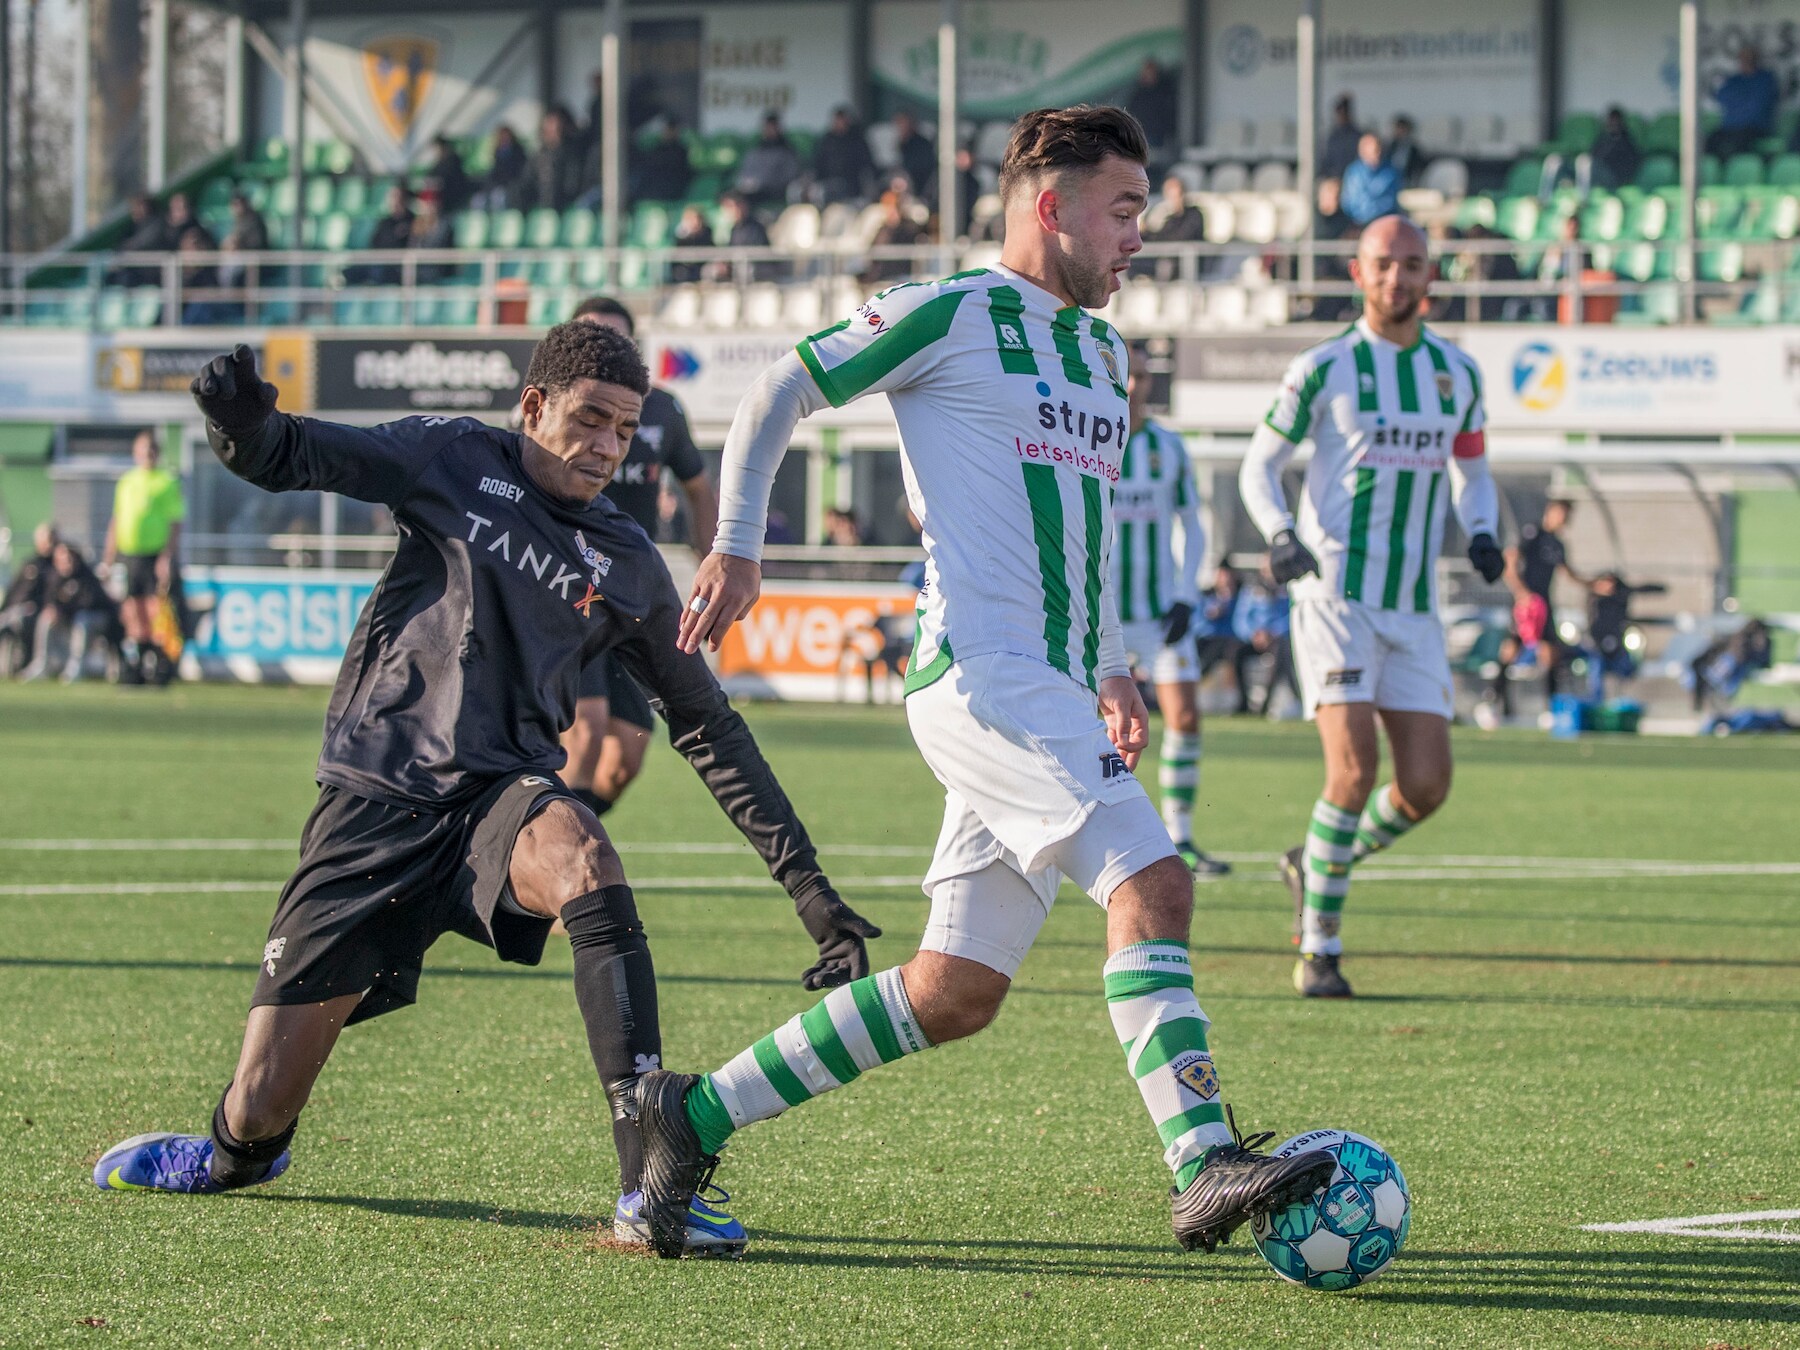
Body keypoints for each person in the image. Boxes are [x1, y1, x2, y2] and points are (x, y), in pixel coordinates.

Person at [639, 103, 1336, 1262]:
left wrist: (1111, 665)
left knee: (955, 990)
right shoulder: (950, 312)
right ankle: (1203, 1159)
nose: (1140, 236)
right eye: (1123, 211)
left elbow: (1087, 530)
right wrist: (739, 545)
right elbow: (782, 387)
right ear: (1050, 207)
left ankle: (691, 1115)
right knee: (1154, 882)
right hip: (981, 671)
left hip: (1051, 681)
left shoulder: (1105, 355)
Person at [92, 328, 882, 1265]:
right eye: (591, 419)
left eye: (625, 430)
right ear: (534, 407)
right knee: (258, 1110)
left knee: (584, 855)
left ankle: (647, 1185)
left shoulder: (626, 562)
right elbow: (296, 454)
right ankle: (234, 1156)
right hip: (374, 799)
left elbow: (708, 726)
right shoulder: (452, 456)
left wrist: (809, 889)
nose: (608, 446)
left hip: (498, 801)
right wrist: (239, 424)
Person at [1238, 215, 1503, 999]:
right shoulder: (1325, 367)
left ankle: (1316, 860)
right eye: (1384, 264)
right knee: (1353, 773)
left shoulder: (1458, 373)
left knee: (1426, 787)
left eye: (1412, 264)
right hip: (1335, 598)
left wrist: (1483, 530)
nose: (1398, 277)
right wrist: (1280, 533)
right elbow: (1259, 466)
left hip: (1413, 608)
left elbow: (1473, 472)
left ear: (1430, 276)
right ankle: (1319, 951)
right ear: (1358, 273)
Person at [558, 295, 720, 822]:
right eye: (590, 336)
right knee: (585, 732)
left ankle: (554, 838)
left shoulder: (663, 410)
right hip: (564, 590)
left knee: (624, 758)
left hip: (629, 595)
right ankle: (554, 857)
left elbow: (698, 487)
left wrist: (714, 558)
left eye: (615, 337)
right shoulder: (549, 406)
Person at [1112, 345, 1228, 876]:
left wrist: (1187, 594)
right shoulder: (1087, 434)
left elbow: (1193, 524)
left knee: (1184, 717)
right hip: (1103, 617)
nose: (1135, 385)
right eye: (1126, 373)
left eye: (1142, 375)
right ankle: (1102, 836)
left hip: (1161, 614)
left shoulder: (1169, 447)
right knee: (1100, 726)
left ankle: (1180, 838)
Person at [100, 429, 186, 685]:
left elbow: (175, 522)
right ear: (135, 453)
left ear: (157, 453)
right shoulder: (127, 482)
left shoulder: (166, 482)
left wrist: (166, 556)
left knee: (154, 608)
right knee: (131, 609)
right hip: (129, 554)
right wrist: (108, 558)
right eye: (142, 450)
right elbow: (117, 520)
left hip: (153, 555)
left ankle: (158, 661)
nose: (147, 455)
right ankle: (136, 662)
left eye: (151, 450)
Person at [1505, 497, 1585, 702]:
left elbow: (1570, 574)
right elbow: (1510, 560)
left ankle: (1552, 704)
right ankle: (1496, 697)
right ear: (1550, 511)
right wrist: (1521, 592)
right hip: (1526, 603)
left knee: (1550, 652)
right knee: (1512, 648)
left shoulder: (1557, 545)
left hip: (1544, 602)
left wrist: (1594, 584)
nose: (1563, 519)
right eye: (1561, 513)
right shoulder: (1532, 533)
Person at [19, 538, 113, 683]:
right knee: (46, 617)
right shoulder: (55, 577)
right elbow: (50, 600)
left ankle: (76, 666)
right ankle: (42, 664)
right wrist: (53, 610)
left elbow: (89, 603)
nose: (66, 562)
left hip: (96, 618)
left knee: (82, 619)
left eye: (69, 558)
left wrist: (63, 611)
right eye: (62, 559)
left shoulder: (85, 576)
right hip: (68, 618)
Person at [1230, 560, 1297, 717]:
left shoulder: (1289, 587)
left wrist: (1273, 632)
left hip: (1279, 639)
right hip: (1255, 639)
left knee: (1281, 654)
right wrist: (1253, 634)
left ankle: (1266, 704)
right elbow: (1240, 618)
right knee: (1234, 652)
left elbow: (1292, 615)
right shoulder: (1251, 589)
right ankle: (1243, 703)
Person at [1709, 44, 1778, 159]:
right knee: (1710, 141)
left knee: (1739, 143)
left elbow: (1758, 106)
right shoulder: (1734, 80)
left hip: (1755, 129)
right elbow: (1722, 98)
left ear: (1756, 60)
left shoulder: (1765, 79)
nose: (1745, 62)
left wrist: (1737, 105)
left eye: (1749, 58)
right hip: (1730, 128)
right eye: (1743, 58)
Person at [735, 112, 802, 210]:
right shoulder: (756, 149)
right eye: (767, 127)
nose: (769, 131)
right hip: (753, 189)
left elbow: (790, 175)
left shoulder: (787, 151)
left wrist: (763, 183)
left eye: (772, 128)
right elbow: (746, 171)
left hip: (775, 191)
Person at [526, 108, 587, 212]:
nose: (551, 131)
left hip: (563, 207)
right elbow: (527, 182)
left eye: (555, 127)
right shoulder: (537, 157)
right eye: (548, 127)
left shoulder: (572, 156)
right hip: (540, 208)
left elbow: (572, 186)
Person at [813, 106, 877, 205]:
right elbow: (818, 163)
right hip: (827, 182)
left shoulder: (857, 141)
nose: (839, 124)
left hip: (851, 185)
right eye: (837, 121)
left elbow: (866, 165)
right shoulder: (827, 140)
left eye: (841, 120)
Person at [1126, 58, 1179, 165]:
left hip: (1159, 138)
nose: (1148, 75)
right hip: (1140, 136)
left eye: (1150, 72)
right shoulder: (1137, 94)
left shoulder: (1164, 93)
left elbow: (1169, 116)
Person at [1341, 134, 1400, 226]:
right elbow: (1349, 202)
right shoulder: (1354, 172)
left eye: (1378, 149)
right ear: (1362, 151)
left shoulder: (1390, 172)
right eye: (1373, 151)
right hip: (1357, 224)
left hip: (1383, 223)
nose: (1377, 154)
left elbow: (1390, 201)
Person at [632, 121, 693, 203]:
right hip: (654, 185)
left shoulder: (680, 151)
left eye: (670, 130)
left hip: (670, 188)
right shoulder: (658, 148)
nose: (666, 133)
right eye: (665, 130)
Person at [476, 125, 529, 209]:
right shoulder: (498, 155)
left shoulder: (518, 155)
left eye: (506, 137)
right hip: (498, 186)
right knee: (479, 200)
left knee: (498, 197)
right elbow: (494, 174)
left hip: (511, 187)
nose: (504, 140)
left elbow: (519, 175)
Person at [1589, 106, 1641, 191]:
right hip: (1598, 172)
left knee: (1591, 166)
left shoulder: (1626, 142)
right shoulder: (1603, 138)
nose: (1612, 123)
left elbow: (1630, 165)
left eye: (1614, 121)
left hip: (1615, 177)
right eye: (1610, 120)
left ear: (1620, 122)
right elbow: (1593, 153)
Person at [422, 135, 473, 215]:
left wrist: (437, 183)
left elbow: (450, 178)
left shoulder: (453, 160)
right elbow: (431, 176)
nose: (437, 152)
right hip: (445, 196)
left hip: (455, 194)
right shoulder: (439, 164)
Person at [893, 111, 936, 196]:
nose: (899, 127)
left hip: (920, 189)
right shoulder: (902, 143)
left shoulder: (922, 144)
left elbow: (920, 170)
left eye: (902, 123)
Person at [669, 205, 714, 283]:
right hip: (686, 273)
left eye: (696, 219)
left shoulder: (707, 235)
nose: (694, 222)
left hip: (703, 271)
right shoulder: (681, 238)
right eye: (690, 219)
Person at [1320, 95, 1361, 181]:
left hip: (1353, 179)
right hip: (1335, 179)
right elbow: (1327, 160)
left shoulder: (1356, 136)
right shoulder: (1333, 136)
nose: (1341, 116)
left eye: (1344, 113)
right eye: (1340, 113)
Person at [1387, 116, 1424, 187]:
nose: (1400, 132)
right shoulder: (1390, 146)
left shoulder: (1414, 149)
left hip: (1407, 180)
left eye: (1402, 129)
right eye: (1398, 128)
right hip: (1391, 179)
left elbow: (1416, 168)